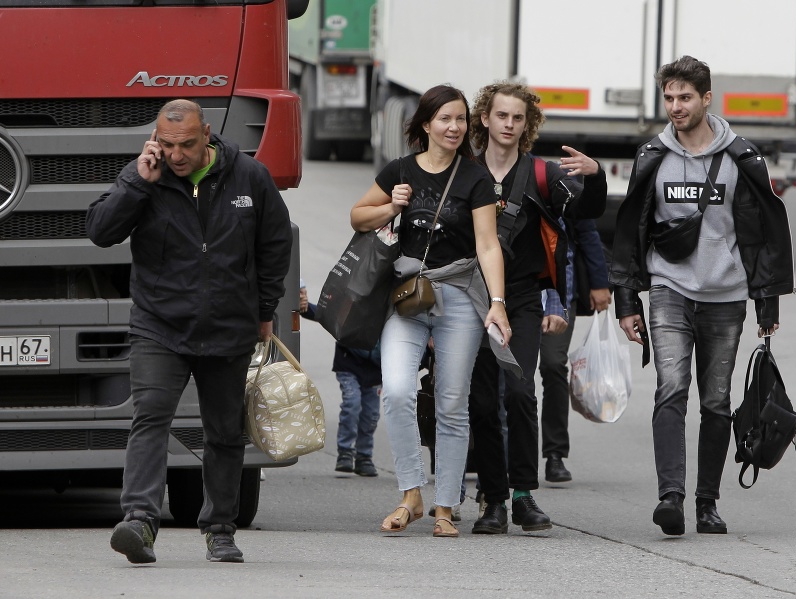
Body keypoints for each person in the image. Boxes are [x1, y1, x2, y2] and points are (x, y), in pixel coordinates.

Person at [86, 100, 292, 563]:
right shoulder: (144, 175)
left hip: (228, 327)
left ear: (208, 136)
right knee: (151, 416)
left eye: (185, 145)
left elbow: (275, 244)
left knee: (222, 432)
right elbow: (99, 231)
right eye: (166, 144)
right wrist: (139, 183)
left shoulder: (249, 178)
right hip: (159, 325)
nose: (175, 155)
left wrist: (264, 309)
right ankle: (139, 520)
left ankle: (220, 528)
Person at [609, 56, 794, 536]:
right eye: (669, 98)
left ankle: (707, 503)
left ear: (706, 98)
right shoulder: (653, 155)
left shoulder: (741, 158)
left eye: (685, 97)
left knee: (715, 401)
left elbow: (759, 234)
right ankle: (669, 496)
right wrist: (628, 301)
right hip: (670, 288)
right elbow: (632, 230)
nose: (675, 106)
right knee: (671, 389)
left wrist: (766, 300)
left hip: (726, 296)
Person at [350, 84, 512, 539]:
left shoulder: (475, 178)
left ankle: (446, 504)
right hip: (407, 296)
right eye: (445, 119)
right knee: (398, 391)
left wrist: (496, 304)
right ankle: (411, 495)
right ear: (425, 124)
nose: (455, 127)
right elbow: (357, 216)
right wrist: (391, 206)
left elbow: (487, 244)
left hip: (458, 297)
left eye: (461, 119)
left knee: (452, 402)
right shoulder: (400, 170)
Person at [467, 82, 607, 535]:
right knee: (483, 402)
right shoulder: (464, 173)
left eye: (518, 118)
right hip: (470, 298)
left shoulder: (543, 174)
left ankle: (523, 495)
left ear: (528, 125)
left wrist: (597, 174)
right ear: (485, 118)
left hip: (523, 298)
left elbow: (590, 211)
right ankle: (493, 500)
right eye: (501, 115)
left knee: (520, 391)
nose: (509, 124)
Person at [539, 218, 611, 483]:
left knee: (553, 364)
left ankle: (555, 454)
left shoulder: (565, 178)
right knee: (510, 376)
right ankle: (501, 452)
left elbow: (587, 230)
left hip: (560, 294)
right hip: (514, 291)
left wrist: (599, 282)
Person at [299, 285, 381, 477]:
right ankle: (345, 452)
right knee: (352, 405)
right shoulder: (351, 298)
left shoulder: (386, 304)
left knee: (371, 415)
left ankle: (364, 457)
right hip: (349, 365)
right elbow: (324, 314)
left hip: (375, 370)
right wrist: (304, 307)